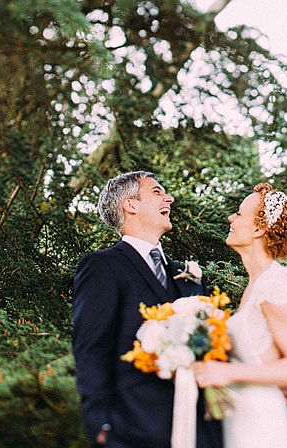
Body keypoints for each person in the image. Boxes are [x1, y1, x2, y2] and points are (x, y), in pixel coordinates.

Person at [72, 171, 223, 448]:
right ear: (131, 205)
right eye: (157, 192)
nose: (170, 198)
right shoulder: (102, 267)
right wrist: (101, 424)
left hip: (198, 429)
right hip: (133, 427)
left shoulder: (187, 274)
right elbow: (91, 348)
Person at [193, 183, 287, 448]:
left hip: (261, 423)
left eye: (238, 214)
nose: (231, 218)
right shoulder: (257, 284)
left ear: (259, 229)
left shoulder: (275, 283)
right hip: (239, 416)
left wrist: (228, 373)